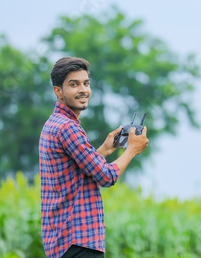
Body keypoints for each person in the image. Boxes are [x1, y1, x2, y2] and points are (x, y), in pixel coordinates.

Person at [39, 57, 149, 258]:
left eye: (86, 83)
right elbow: (106, 176)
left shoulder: (54, 124)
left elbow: (77, 174)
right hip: (78, 242)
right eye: (74, 84)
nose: (83, 90)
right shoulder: (68, 128)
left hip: (64, 243)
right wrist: (132, 149)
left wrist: (106, 149)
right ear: (58, 91)